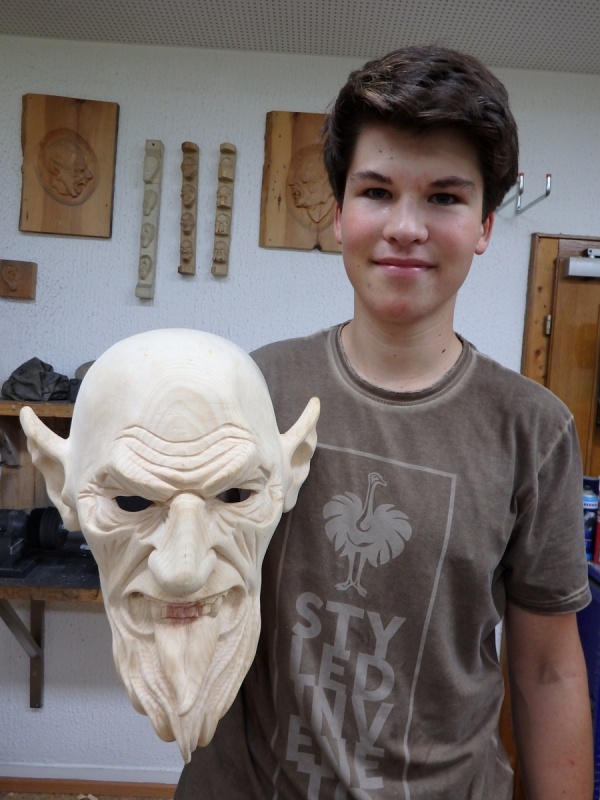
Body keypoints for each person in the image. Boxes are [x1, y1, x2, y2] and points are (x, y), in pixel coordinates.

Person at [176, 45, 593, 799]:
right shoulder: (250, 388)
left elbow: (548, 671)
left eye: (444, 197)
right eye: (376, 191)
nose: (405, 226)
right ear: (339, 216)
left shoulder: (536, 432)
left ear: (485, 225)